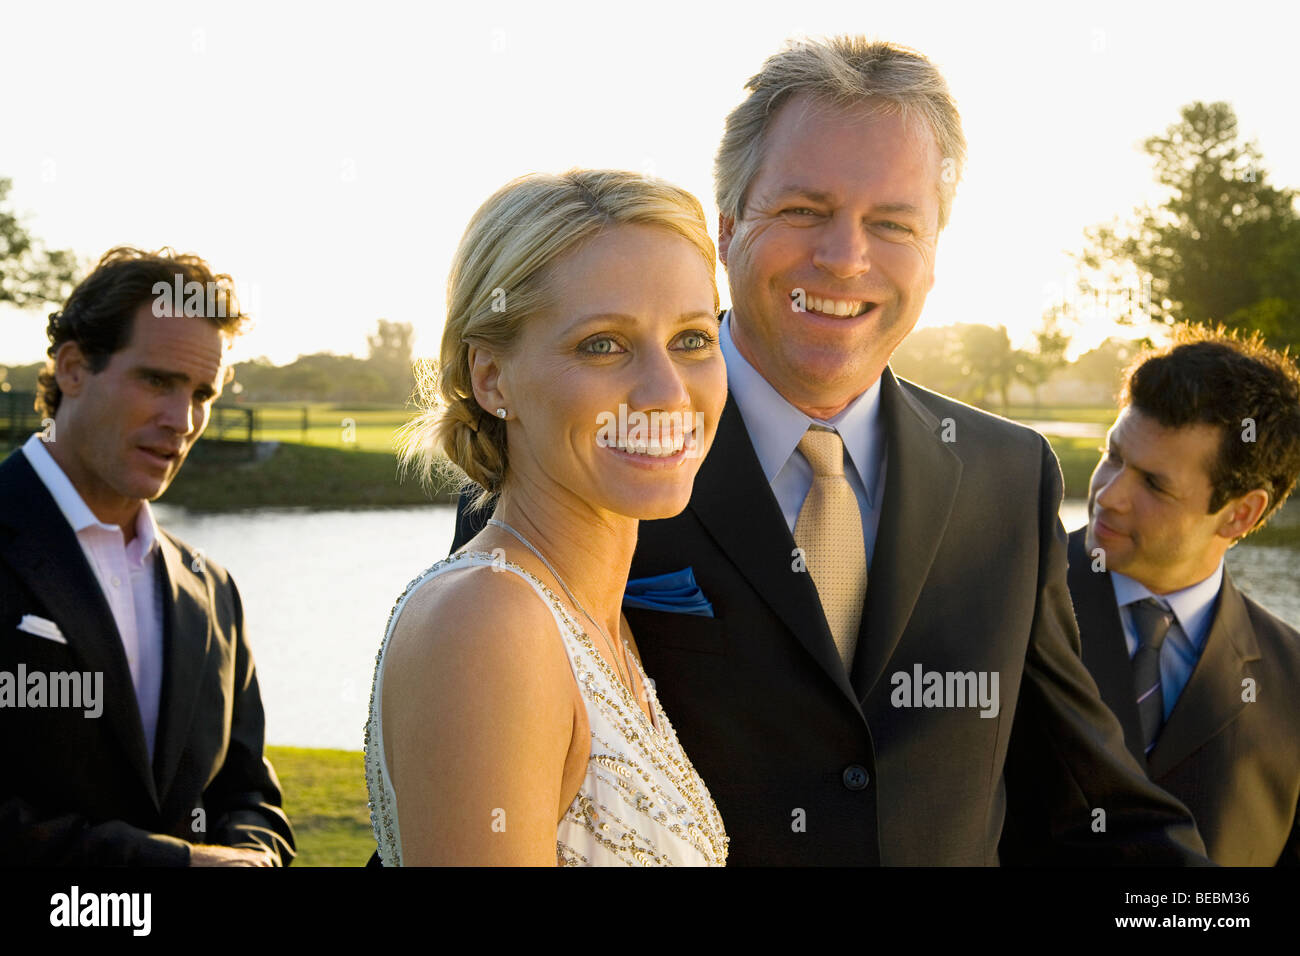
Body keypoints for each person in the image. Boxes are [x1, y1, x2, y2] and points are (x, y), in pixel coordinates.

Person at [454, 37, 1208, 865]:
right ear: (728, 226)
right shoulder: (577, 455)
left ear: (933, 254)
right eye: (805, 211)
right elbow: (461, 770)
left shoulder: (1010, 478)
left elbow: (1092, 807)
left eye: (893, 224)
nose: (845, 258)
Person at [365, 170, 730, 865]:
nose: (666, 390)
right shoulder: (485, 621)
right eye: (603, 344)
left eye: (692, 339)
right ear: (491, 377)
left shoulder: (593, 619)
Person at [0, 247, 294, 866]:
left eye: (202, 393)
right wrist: (177, 867)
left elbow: (249, 793)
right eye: (157, 381)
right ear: (73, 369)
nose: (182, 420)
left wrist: (254, 858)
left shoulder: (213, 589)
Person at [1064, 329, 1300, 865]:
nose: (1109, 495)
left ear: (1241, 514)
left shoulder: (1293, 686)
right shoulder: (1001, 600)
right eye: (1113, 455)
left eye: (1153, 484)